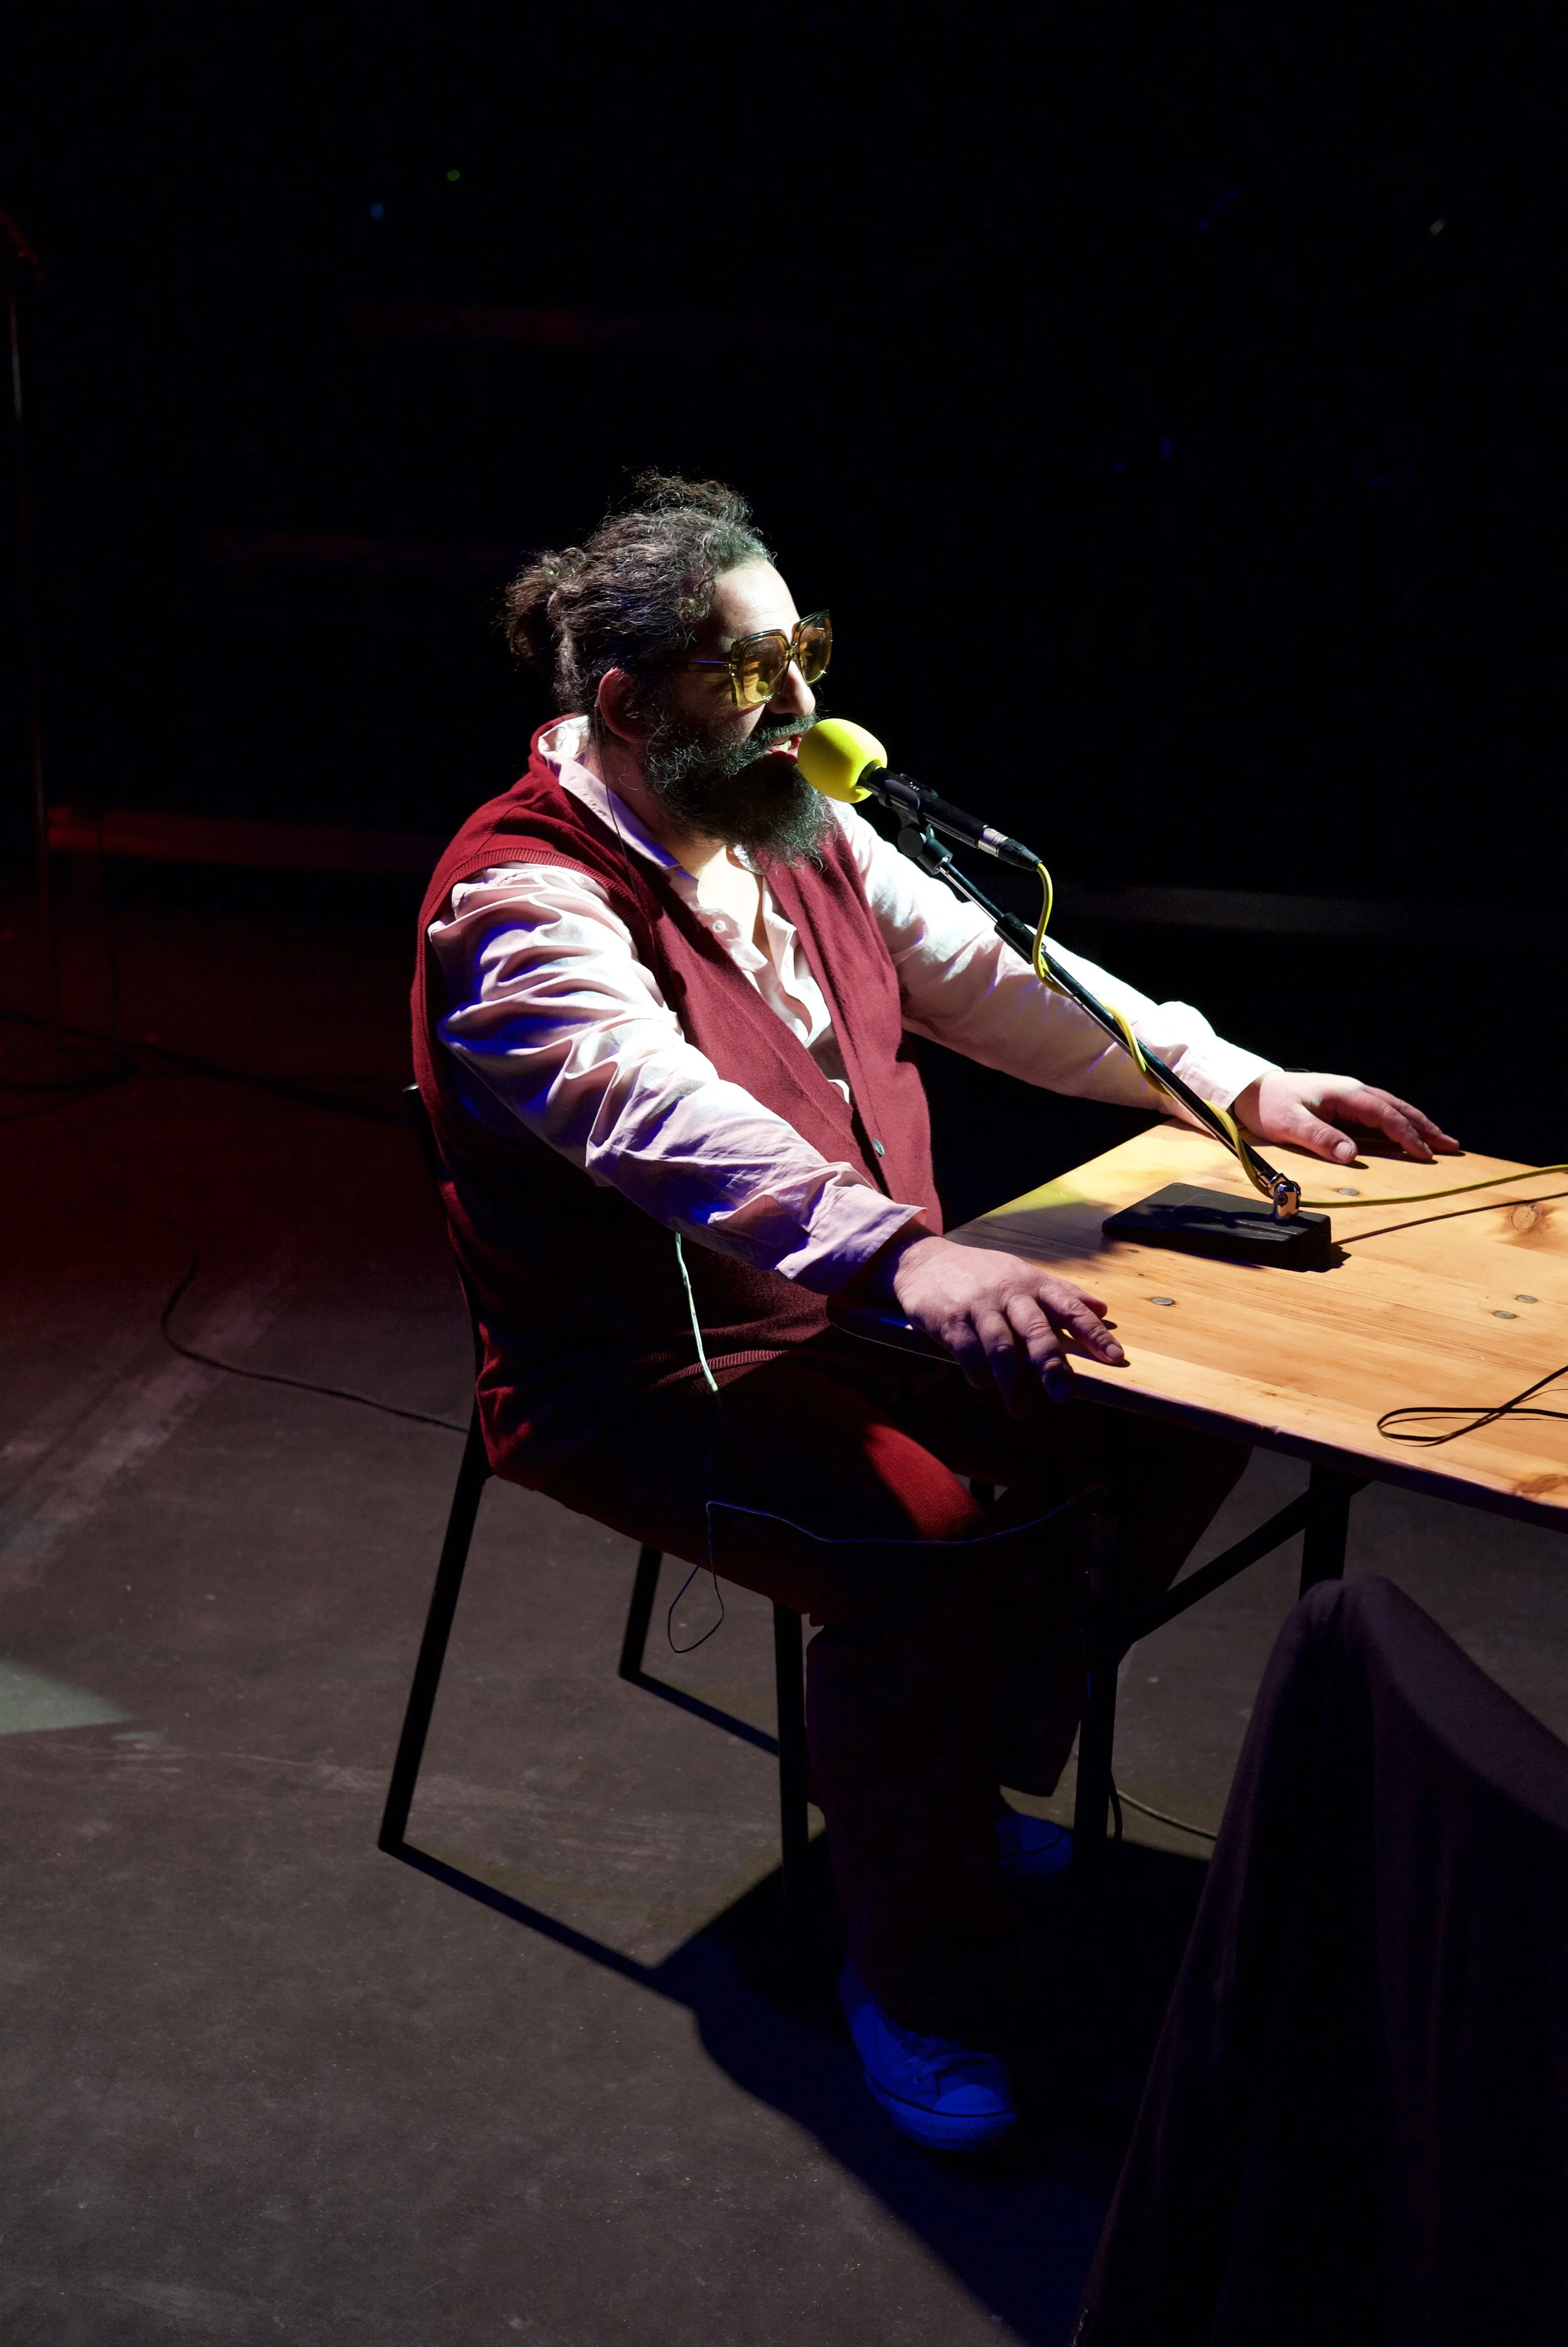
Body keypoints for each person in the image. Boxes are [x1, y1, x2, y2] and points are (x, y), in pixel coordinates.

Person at [411, 474, 1458, 2150]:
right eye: (748, 672)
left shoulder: (797, 824)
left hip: (844, 1299)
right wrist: (903, 1257)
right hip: (640, 1366)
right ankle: (915, 1972)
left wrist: (1236, 1083)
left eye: (804, 655)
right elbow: (653, 1113)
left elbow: (989, 977)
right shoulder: (520, 902)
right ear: (626, 701)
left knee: (1176, 1402)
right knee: (932, 1546)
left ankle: (947, 1774)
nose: (799, 705)